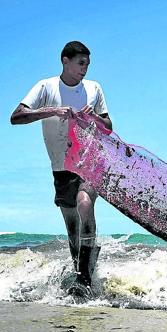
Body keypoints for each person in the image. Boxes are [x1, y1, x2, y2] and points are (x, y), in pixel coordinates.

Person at [10, 41, 113, 294]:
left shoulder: (94, 88)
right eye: (81, 63)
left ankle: (86, 280)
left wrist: (95, 118)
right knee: (71, 225)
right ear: (65, 61)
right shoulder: (45, 87)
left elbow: (108, 126)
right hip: (61, 165)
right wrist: (53, 111)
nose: (85, 69)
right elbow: (16, 117)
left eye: (88, 64)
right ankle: (82, 274)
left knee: (85, 203)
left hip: (89, 161)